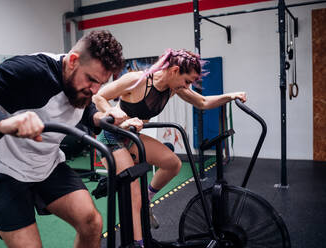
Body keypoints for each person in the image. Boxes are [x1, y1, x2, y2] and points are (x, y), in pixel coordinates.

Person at [0, 30, 124, 248]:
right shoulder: (32, 71)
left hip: (47, 166)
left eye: (100, 83)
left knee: (92, 222)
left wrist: (103, 118)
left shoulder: (79, 85)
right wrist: (2, 122)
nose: (94, 90)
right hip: (5, 171)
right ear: (72, 61)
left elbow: (84, 108)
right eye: (91, 80)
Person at [92, 48, 246, 246]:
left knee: (172, 163)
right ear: (174, 70)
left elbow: (202, 102)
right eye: (187, 81)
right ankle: (138, 243)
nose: (187, 86)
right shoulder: (136, 80)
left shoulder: (173, 88)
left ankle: (148, 200)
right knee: (133, 195)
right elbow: (98, 97)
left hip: (132, 137)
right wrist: (115, 114)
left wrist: (231, 96)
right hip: (111, 136)